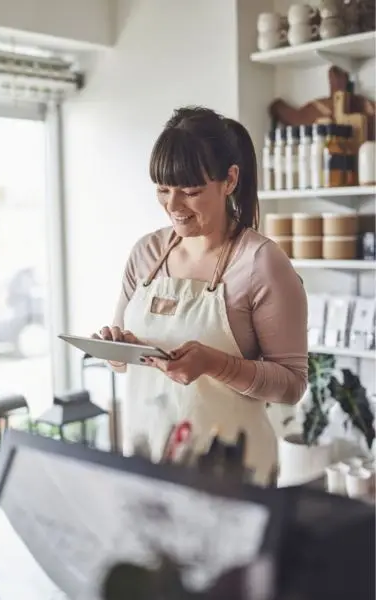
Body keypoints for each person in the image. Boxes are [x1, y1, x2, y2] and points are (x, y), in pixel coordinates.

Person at [97, 106, 308, 486]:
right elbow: (122, 360)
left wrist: (215, 364)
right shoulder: (145, 253)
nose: (173, 206)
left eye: (191, 191)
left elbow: (291, 385)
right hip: (150, 464)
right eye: (163, 189)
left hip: (234, 475)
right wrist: (117, 347)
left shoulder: (262, 264)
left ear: (230, 180)